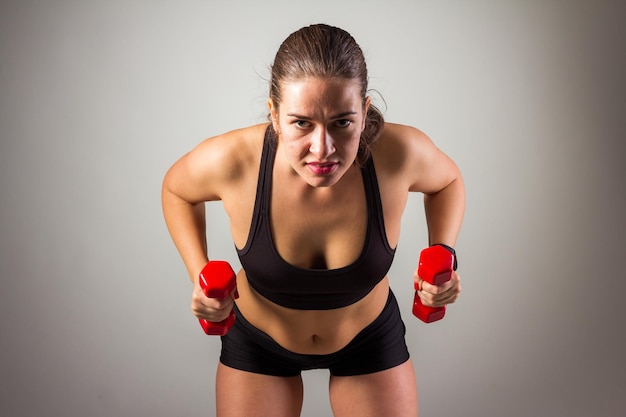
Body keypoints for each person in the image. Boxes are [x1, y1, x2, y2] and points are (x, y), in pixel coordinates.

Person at [162, 23, 465, 417]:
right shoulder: (235, 161)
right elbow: (176, 190)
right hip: (259, 343)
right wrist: (199, 274)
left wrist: (442, 251)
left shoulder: (399, 153)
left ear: (365, 111)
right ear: (274, 115)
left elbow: (448, 181)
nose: (322, 149)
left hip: (367, 337)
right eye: (302, 123)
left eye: (342, 122)